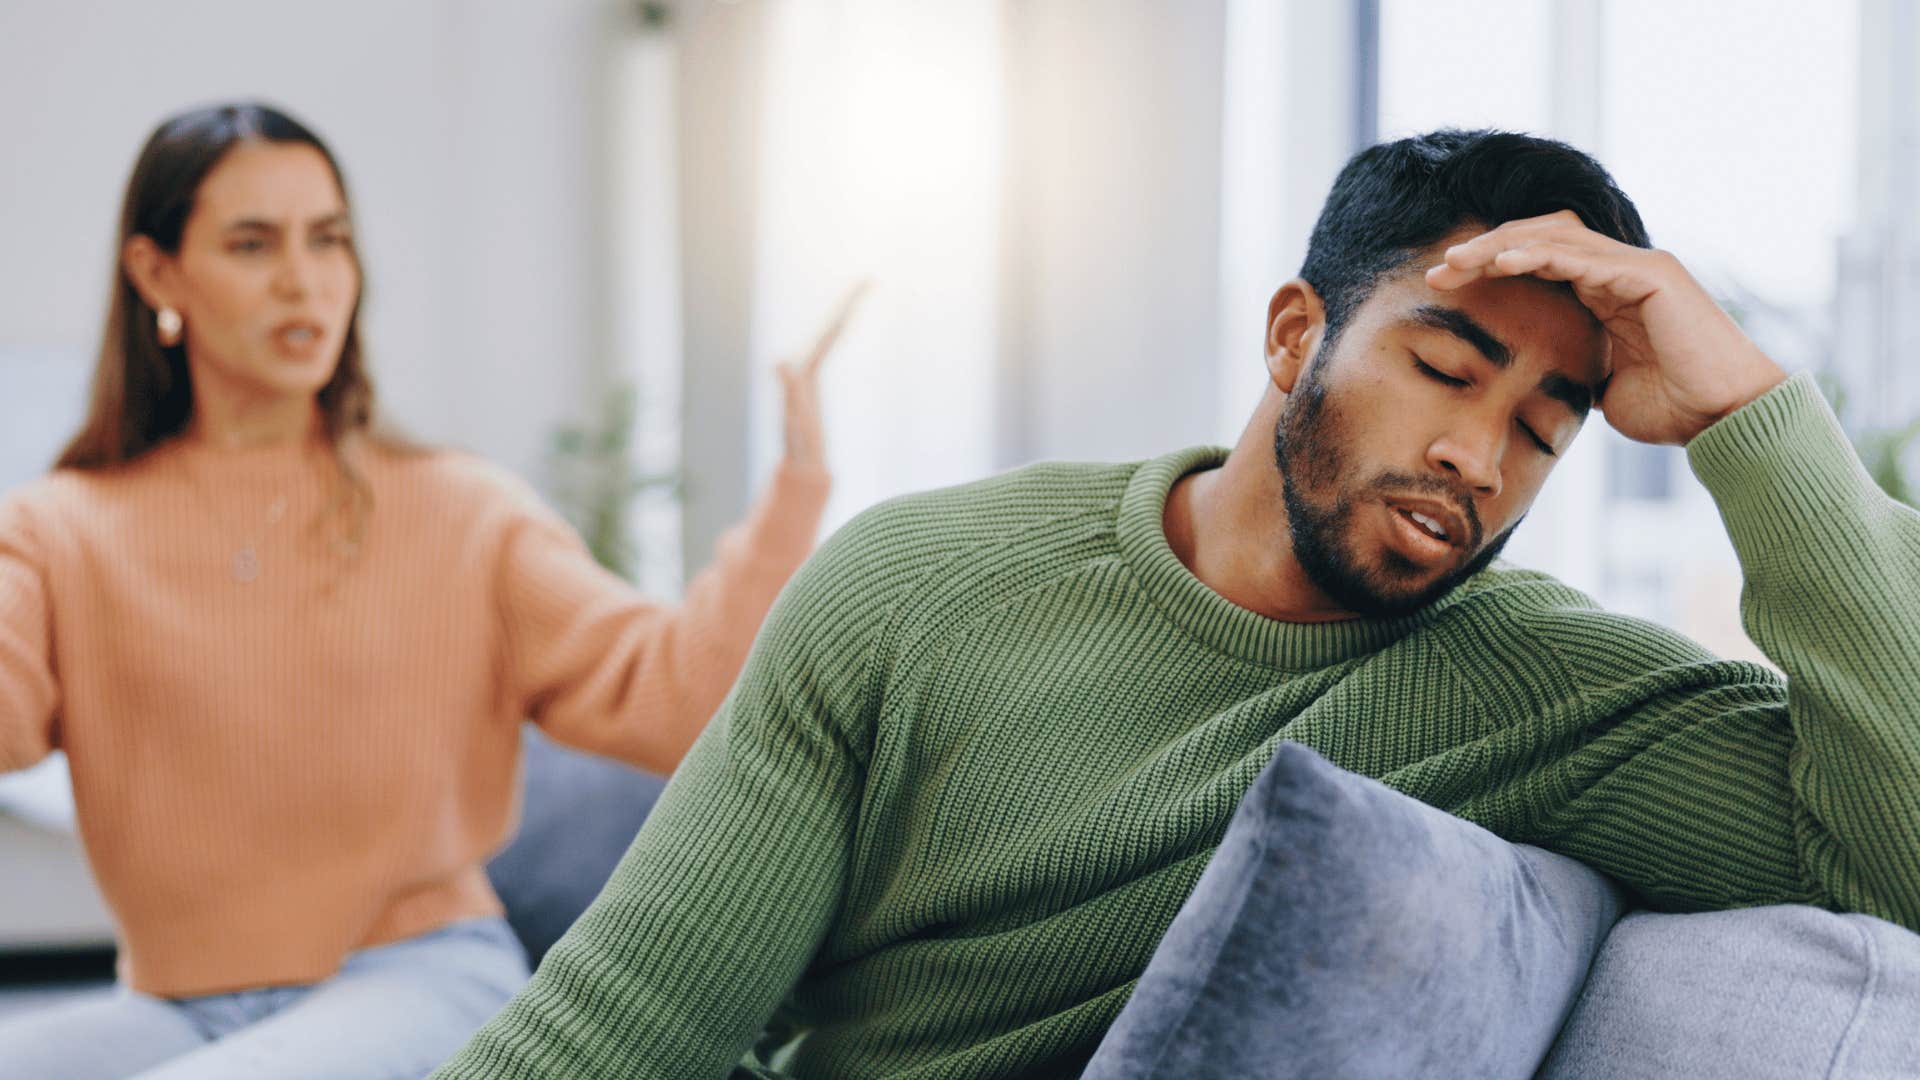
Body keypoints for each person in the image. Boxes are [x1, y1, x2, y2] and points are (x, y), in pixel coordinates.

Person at [432, 128, 1920, 1080]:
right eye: (1448, 371)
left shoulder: (1553, 695)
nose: (1478, 454)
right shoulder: (917, 585)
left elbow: (1900, 857)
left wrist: (1754, 418)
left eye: (1544, 428)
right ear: (1296, 337)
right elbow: (624, 1027)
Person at [0, 102, 853, 1079]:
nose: (303, 280)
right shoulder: (58, 528)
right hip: (172, 1005)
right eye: (252, 243)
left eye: (329, 241)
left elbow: (677, 695)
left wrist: (793, 496)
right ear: (157, 273)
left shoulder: (459, 511)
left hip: (422, 982)